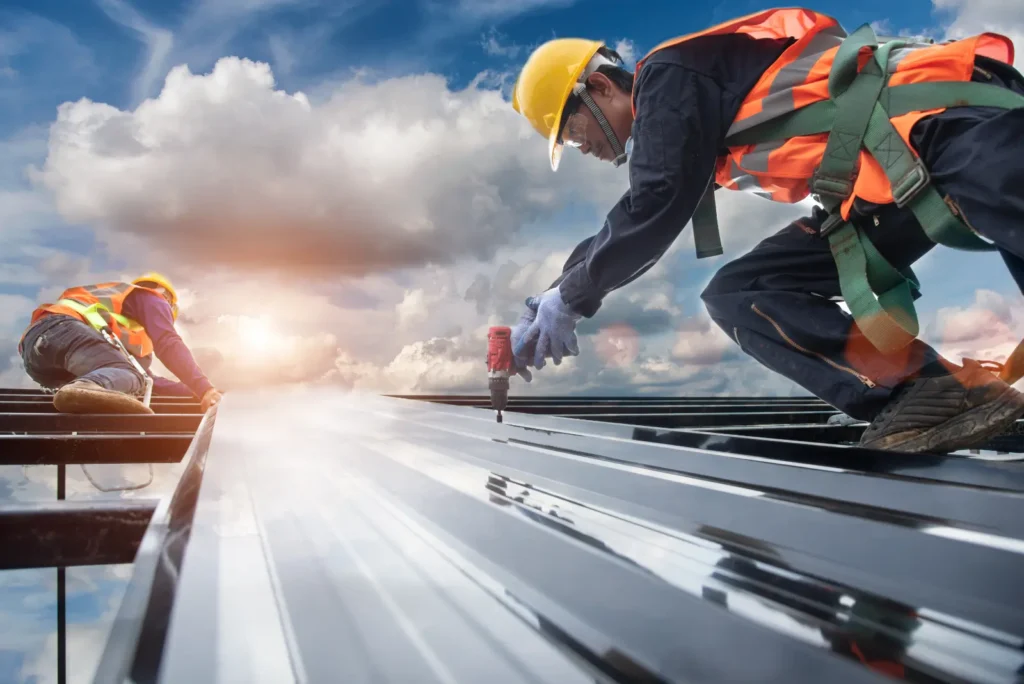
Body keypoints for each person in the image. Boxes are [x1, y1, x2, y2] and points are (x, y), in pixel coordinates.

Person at [508, 7, 1024, 454]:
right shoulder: (688, 115)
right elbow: (637, 208)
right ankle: (931, 392)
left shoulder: (665, 78)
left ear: (600, 87)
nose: (588, 151)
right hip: (885, 179)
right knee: (740, 293)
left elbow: (656, 199)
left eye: (576, 135)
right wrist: (558, 290)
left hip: (944, 121)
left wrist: (573, 297)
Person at [18, 273, 222, 414]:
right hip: (63, 331)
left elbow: (150, 381)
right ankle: (86, 386)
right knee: (129, 377)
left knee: (131, 379)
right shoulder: (151, 298)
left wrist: (197, 393)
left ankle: (82, 387)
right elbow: (168, 342)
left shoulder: (120, 326)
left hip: (36, 355)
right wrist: (204, 388)